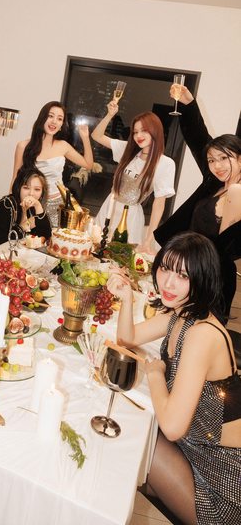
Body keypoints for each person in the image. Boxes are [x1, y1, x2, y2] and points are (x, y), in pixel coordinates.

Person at [108, 232, 241, 525]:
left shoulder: (202, 334)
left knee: (128, 437)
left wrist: (156, 374)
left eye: (183, 276)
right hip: (193, 451)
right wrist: (127, 297)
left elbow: (171, 427)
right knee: (122, 446)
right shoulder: (182, 314)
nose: (168, 283)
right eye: (166, 269)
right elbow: (127, 338)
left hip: (223, 485)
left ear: (202, 279)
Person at [155, 85, 241, 322]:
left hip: (210, 278)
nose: (217, 165)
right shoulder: (215, 182)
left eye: (224, 158)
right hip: (185, 269)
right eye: (212, 160)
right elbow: (198, 138)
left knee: (194, 334)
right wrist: (188, 103)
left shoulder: (238, 193)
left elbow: (226, 247)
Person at [92, 102, 175, 253]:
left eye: (144, 131)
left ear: (155, 131)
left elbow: (159, 204)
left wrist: (149, 240)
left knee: (121, 257)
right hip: (109, 208)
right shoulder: (128, 150)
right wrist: (110, 115)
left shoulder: (165, 163)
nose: (138, 136)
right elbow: (96, 136)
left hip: (131, 217)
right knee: (96, 250)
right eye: (135, 132)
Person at [12, 102, 93, 226]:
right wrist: (13, 205)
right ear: (42, 118)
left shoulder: (63, 146)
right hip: (31, 203)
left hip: (57, 204)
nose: (54, 121)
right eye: (50, 116)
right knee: (29, 236)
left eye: (59, 119)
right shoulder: (23, 146)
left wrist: (85, 138)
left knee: (54, 237)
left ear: (61, 125)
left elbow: (88, 164)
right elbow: (15, 179)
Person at [0, 167, 52, 255]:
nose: (31, 193)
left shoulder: (33, 207)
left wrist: (38, 206)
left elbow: (46, 236)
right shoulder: (7, 205)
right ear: (18, 187)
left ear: (42, 192)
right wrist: (23, 226)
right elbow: (0, 243)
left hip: (9, 256)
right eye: (26, 188)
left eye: (37, 189)